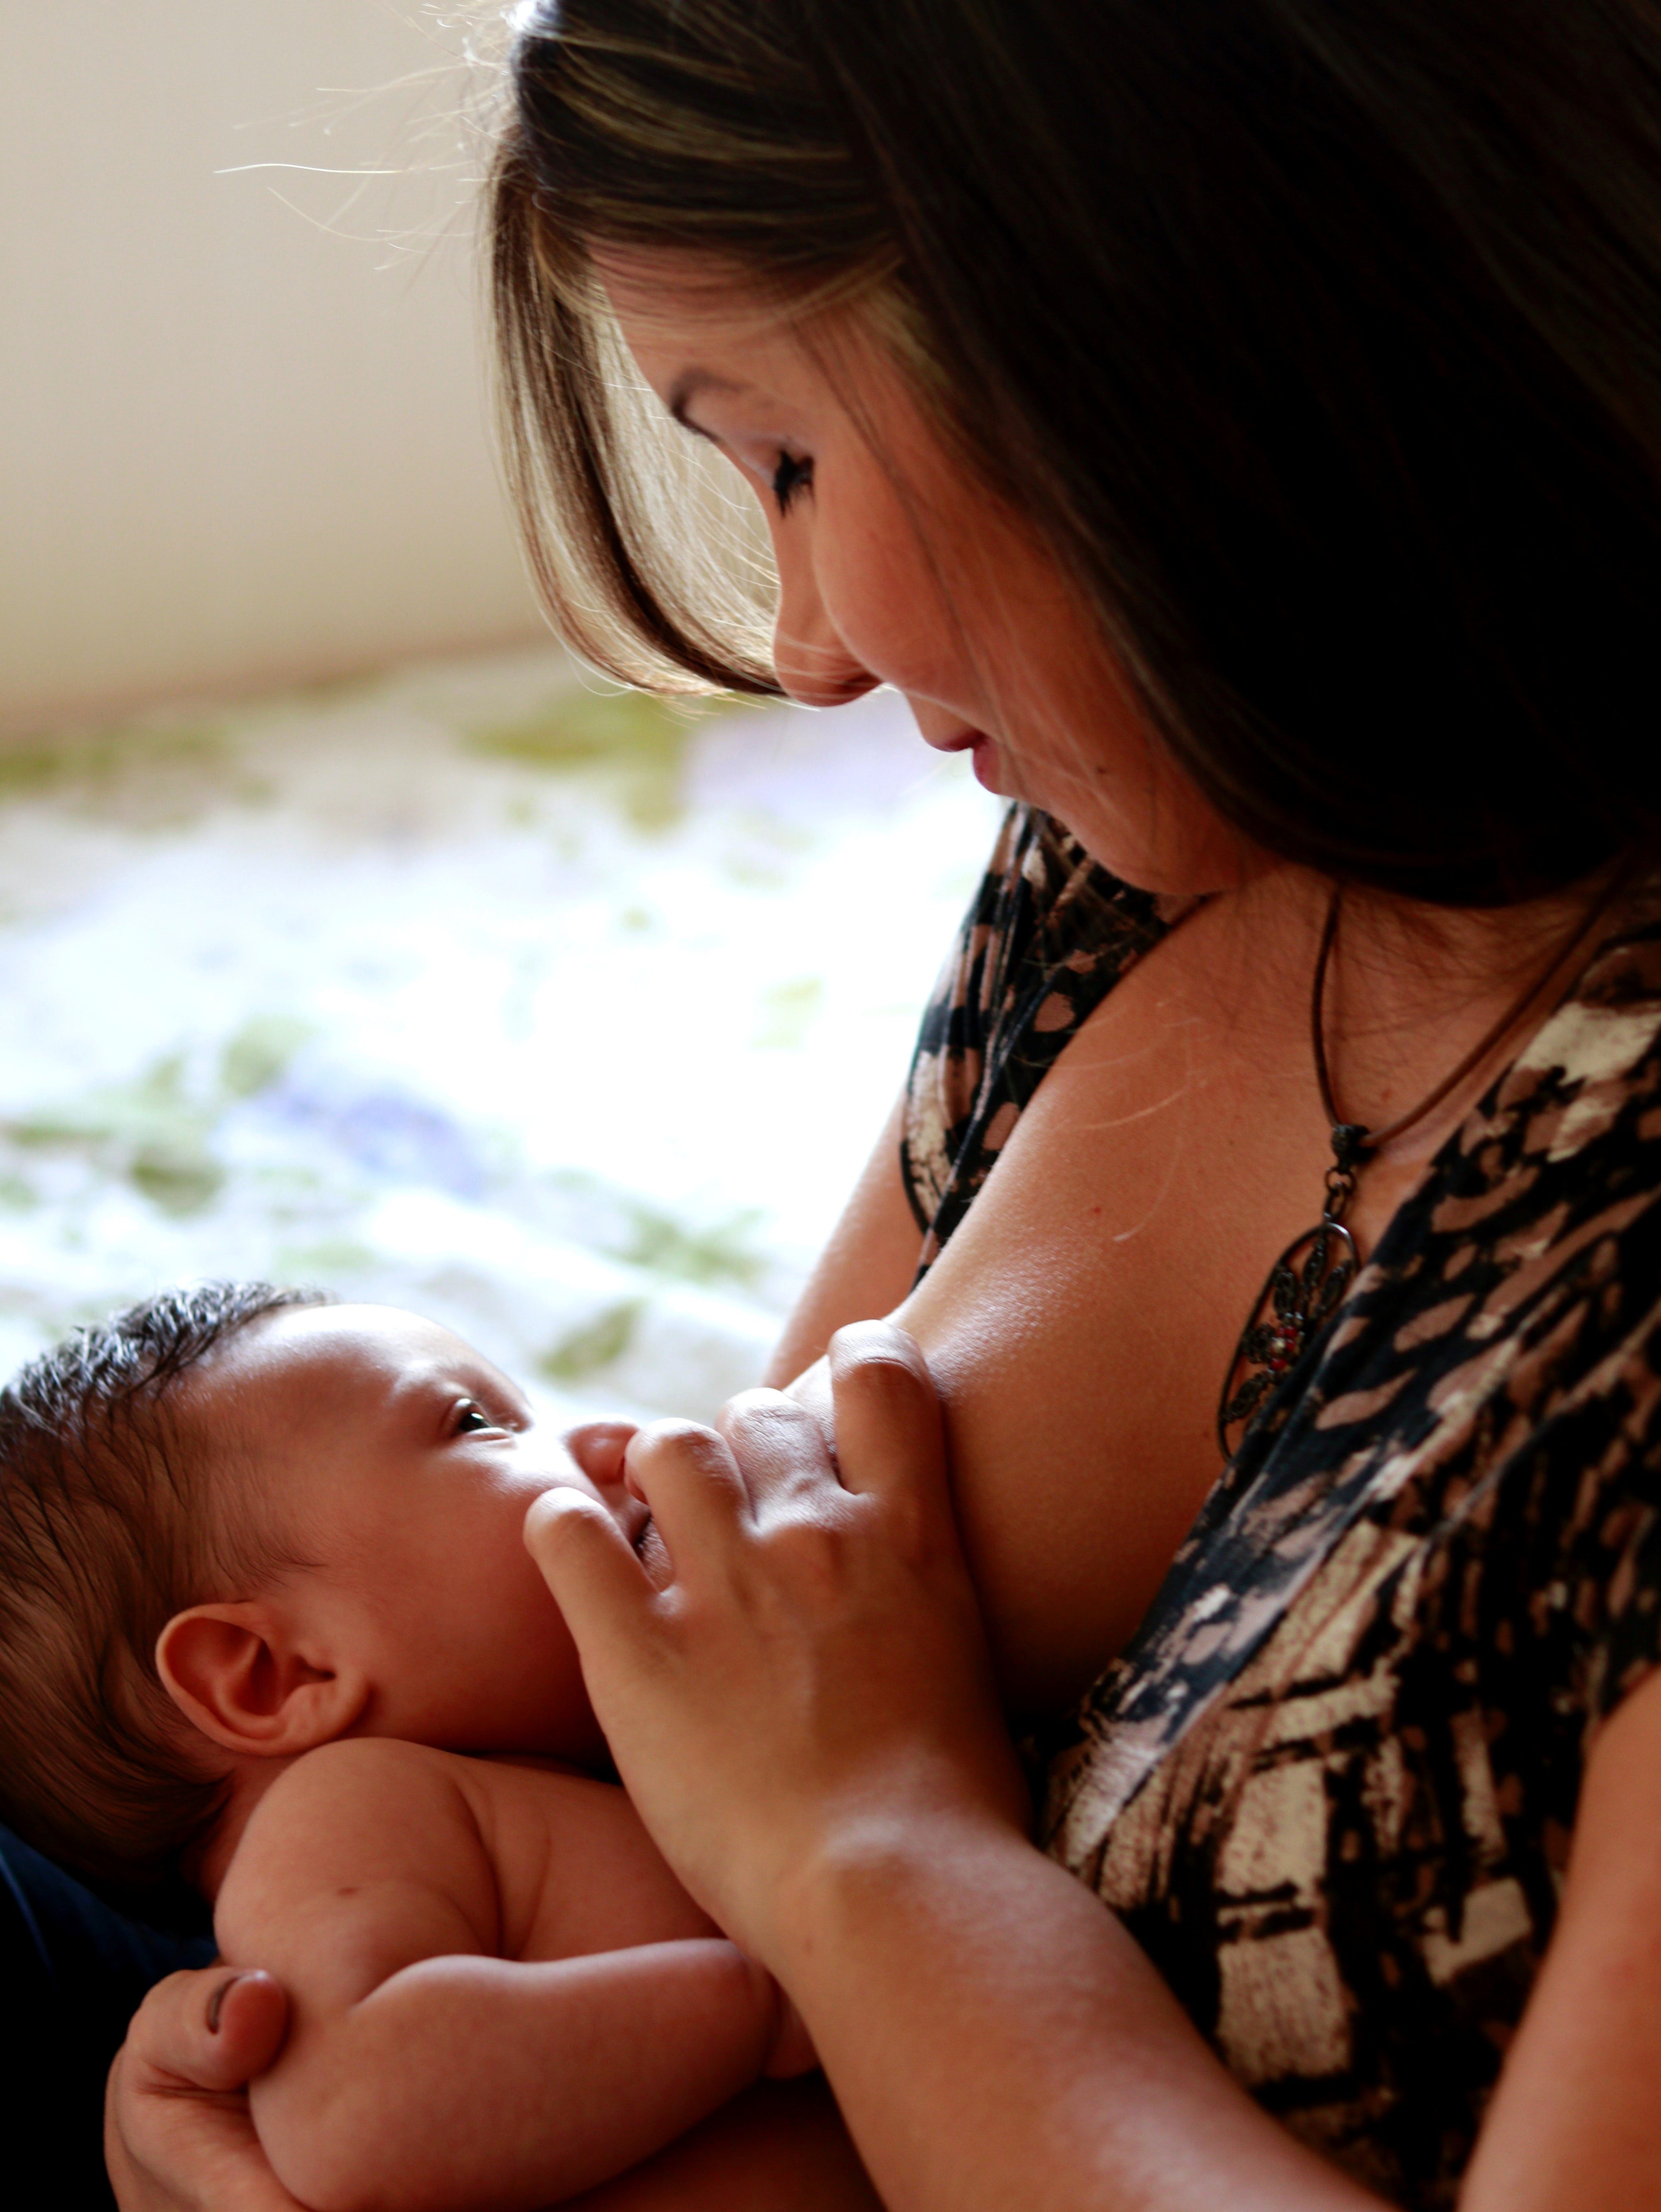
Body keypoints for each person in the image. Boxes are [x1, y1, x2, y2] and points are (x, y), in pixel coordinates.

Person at [100, 1, 1661, 2206]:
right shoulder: (1179, 819)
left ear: (1144, 331)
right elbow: (707, 1685)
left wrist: (880, 1865)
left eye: (787, 457)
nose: (808, 648)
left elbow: (783, 1798)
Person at [0, 1283, 875, 2212]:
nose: (612, 1439)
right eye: (476, 1423)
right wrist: (782, 1988)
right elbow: (355, 2113)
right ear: (274, 1676)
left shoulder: (545, 1781)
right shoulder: (351, 1810)